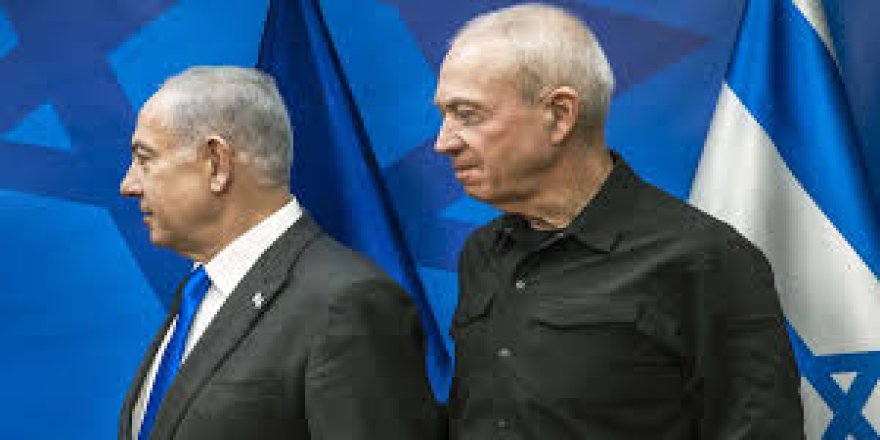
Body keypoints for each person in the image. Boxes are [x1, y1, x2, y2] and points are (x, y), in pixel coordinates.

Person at [433, 4, 805, 438]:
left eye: (467, 114)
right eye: (444, 115)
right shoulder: (482, 253)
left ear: (560, 114)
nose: (444, 142)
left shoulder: (704, 259)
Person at [118, 66, 440, 439]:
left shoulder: (346, 303)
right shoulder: (199, 293)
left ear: (217, 163)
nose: (129, 185)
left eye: (145, 159)